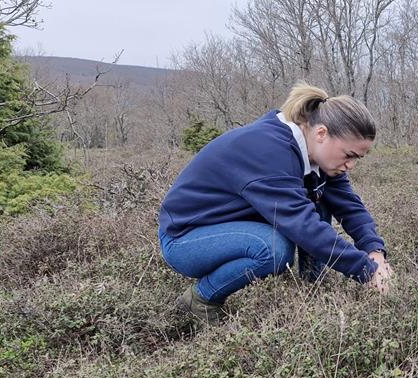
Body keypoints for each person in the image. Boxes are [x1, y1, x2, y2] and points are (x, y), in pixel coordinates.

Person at [158, 82, 393, 324]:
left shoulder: (317, 157)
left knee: (320, 201)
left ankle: (312, 286)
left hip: (230, 226)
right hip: (185, 240)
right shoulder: (268, 151)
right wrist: (366, 271)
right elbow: (303, 226)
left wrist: (374, 252)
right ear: (321, 133)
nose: (351, 165)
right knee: (272, 249)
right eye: (349, 155)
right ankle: (201, 299)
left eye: (358, 158)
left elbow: (350, 207)